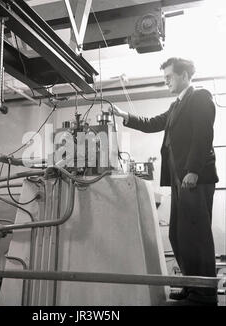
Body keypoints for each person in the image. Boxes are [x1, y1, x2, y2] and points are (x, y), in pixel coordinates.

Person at [111, 57, 219, 306]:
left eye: (169, 76)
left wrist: (192, 170)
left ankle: (204, 294)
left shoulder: (200, 97)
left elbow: (203, 136)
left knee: (197, 237)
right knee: (179, 235)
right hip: (180, 181)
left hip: (194, 179)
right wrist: (123, 115)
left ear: (183, 75)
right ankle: (191, 287)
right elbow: (152, 124)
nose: (166, 81)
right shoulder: (175, 106)